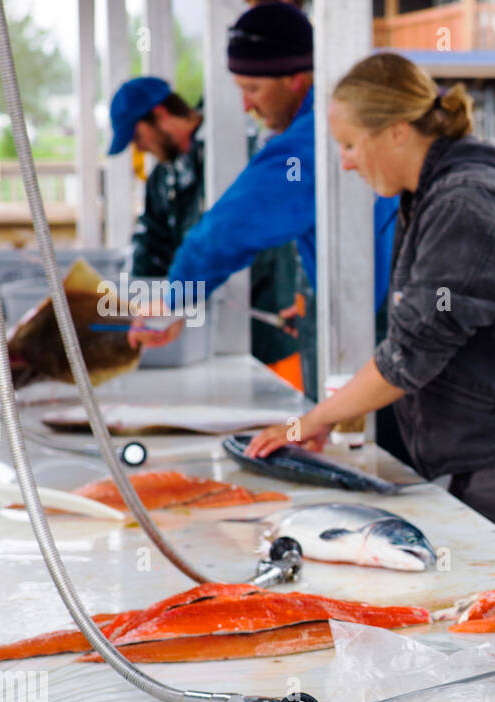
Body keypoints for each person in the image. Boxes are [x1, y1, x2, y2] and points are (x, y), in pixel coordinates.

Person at [245, 52, 495, 560]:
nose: (344, 161)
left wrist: (316, 419)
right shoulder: (436, 194)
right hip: (485, 461)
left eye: (349, 144)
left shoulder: (464, 202)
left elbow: (411, 352)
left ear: (395, 131)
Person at [132, 2, 398, 404]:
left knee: (371, 458)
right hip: (381, 324)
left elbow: (230, 229)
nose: (245, 105)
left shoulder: (309, 142)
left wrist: (173, 300)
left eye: (252, 89)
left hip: (380, 347)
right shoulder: (338, 123)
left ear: (294, 78)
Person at [107, 75, 310, 387]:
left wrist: (183, 298)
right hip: (203, 337)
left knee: (285, 415)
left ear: (160, 115)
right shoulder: (164, 177)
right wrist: (141, 305)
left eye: (138, 136)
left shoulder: (242, 149)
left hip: (272, 330)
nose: (141, 147)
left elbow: (251, 233)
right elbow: (151, 242)